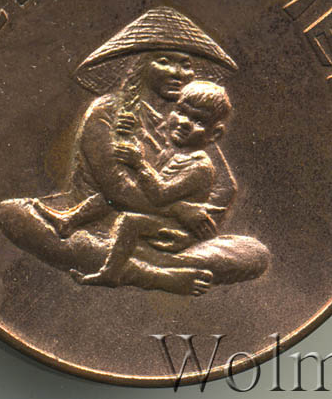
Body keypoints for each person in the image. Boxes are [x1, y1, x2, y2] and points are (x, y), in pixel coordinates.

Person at [0, 6, 270, 296]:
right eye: (164, 61)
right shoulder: (105, 111)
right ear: (140, 64)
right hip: (99, 225)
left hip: (160, 233)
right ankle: (159, 275)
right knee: (13, 214)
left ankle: (141, 263)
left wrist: (193, 229)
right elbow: (119, 192)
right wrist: (181, 210)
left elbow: (224, 187)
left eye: (186, 64)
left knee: (255, 253)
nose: (178, 73)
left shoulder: (190, 118)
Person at [70, 81, 231, 291]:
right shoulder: (172, 153)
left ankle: (111, 273)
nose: (184, 122)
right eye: (181, 112)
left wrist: (139, 164)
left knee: (130, 220)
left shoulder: (199, 166)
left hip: (178, 228)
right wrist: (130, 140)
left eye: (198, 120)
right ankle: (68, 221)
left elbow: (160, 195)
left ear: (215, 134)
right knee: (110, 198)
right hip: (165, 214)